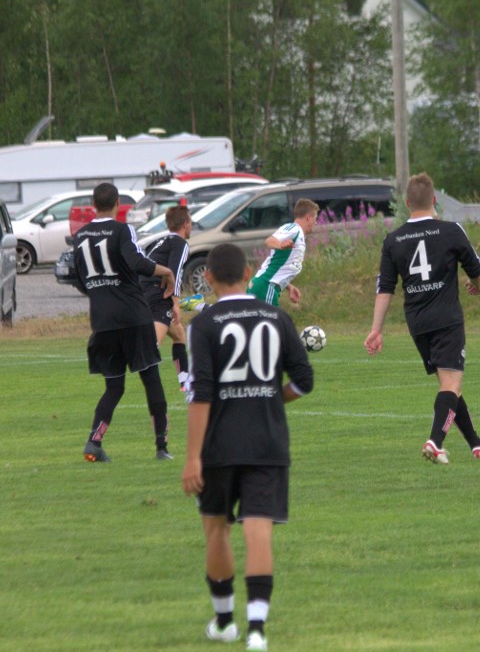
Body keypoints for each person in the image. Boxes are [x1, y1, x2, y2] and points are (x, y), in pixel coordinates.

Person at [181, 243, 314, 651]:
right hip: (267, 441)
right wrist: (271, 397)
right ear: (247, 274)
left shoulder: (203, 325)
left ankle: (225, 622)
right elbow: (303, 381)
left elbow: (201, 394)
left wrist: (191, 457)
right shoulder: (277, 317)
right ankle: (257, 630)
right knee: (259, 531)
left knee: (216, 528)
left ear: (208, 278)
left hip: (219, 445)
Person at [364, 173, 480, 464]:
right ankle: (435, 442)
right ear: (434, 200)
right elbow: (476, 269)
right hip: (447, 319)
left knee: (449, 384)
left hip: (418, 323)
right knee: (451, 386)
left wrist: (376, 329)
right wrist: (478, 285)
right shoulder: (451, 230)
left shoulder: (393, 239)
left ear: (407, 202)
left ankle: (477, 444)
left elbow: (385, 288)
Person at [74, 183, 176, 462]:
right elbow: (137, 262)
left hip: (103, 321)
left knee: (114, 387)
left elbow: (80, 276)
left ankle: (94, 442)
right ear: (118, 203)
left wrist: (102, 293)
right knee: (151, 379)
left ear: (94, 204)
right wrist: (166, 271)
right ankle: (161, 447)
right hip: (134, 318)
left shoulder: (80, 236)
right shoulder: (122, 230)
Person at [140, 205, 193, 392]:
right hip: (158, 295)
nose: (191, 226)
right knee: (152, 347)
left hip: (144, 291)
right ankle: (153, 390)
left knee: (179, 335)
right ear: (185, 224)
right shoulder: (180, 244)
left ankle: (185, 383)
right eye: (191, 222)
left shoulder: (159, 241)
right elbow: (175, 272)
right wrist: (176, 304)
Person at [246, 199, 319, 307]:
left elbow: (277, 266)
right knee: (274, 318)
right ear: (308, 217)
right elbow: (269, 241)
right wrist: (280, 245)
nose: (316, 223)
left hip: (263, 286)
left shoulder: (298, 234)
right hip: (266, 287)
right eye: (315, 219)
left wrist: (288, 286)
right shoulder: (294, 229)